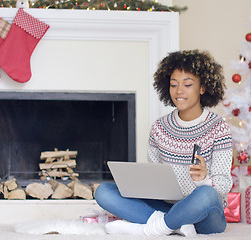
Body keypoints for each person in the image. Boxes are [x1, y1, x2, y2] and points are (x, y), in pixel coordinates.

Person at [95, 49, 233, 236]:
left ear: (202, 87)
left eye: (187, 84)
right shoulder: (160, 127)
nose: (179, 91)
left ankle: (151, 229)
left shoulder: (218, 128)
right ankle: (174, 225)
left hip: (204, 214)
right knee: (104, 191)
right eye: (173, 85)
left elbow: (224, 184)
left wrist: (205, 180)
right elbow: (155, 178)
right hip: (167, 207)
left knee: (207, 195)